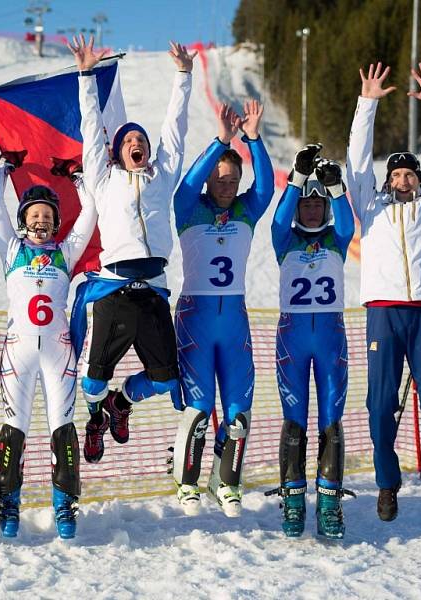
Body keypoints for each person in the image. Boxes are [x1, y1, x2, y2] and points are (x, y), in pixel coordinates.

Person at [67, 34, 195, 463]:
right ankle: (95, 416)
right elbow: (90, 133)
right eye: (128, 141)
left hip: (153, 292)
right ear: (117, 153)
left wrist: (184, 75)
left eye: (140, 139)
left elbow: (175, 133)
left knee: (164, 380)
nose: (136, 143)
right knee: (90, 384)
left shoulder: (161, 177)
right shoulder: (104, 181)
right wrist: (86, 77)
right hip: (114, 292)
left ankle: (118, 406)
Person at [346, 62, 421, 521]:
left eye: (411, 172)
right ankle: (387, 485)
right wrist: (367, 103)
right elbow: (356, 162)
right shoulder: (370, 208)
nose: (404, 178)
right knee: (381, 405)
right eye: (396, 174)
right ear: (386, 180)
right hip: (384, 314)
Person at [170, 100, 273, 517]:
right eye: (218, 178)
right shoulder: (188, 208)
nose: (224, 185)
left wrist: (254, 139)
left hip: (233, 319)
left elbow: (266, 185)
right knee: (198, 409)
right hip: (195, 318)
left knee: (237, 411)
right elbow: (187, 183)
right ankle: (187, 482)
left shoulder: (248, 210)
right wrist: (221, 142)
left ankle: (226, 480)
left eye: (231, 179)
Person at [0, 156, 97, 540]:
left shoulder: (65, 252)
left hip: (58, 352)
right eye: (34, 215)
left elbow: (91, 214)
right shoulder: (11, 249)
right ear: (23, 220)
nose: (41, 221)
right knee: (14, 428)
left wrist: (80, 180)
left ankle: (65, 504)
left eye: (47, 216)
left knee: (62, 429)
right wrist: (3, 173)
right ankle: (8, 503)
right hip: (18, 352)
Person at [269, 147, 355, 539]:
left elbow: (348, 226)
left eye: (319, 205)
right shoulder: (284, 241)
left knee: (331, 422)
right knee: (295, 420)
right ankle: (292, 498)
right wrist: (296, 182)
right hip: (293, 341)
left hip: (331, 341)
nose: (312, 210)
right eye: (307, 204)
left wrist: (335, 187)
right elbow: (277, 221)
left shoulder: (337, 240)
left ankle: (330, 501)